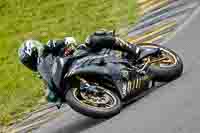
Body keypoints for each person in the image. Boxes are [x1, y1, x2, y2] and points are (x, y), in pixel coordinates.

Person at [18, 30, 157, 103]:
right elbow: (52, 94)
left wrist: (68, 46)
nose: (31, 64)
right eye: (28, 63)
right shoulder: (43, 73)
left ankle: (137, 51)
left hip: (80, 55)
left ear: (34, 50)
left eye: (30, 60)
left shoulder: (49, 46)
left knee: (94, 38)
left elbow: (68, 40)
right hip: (74, 73)